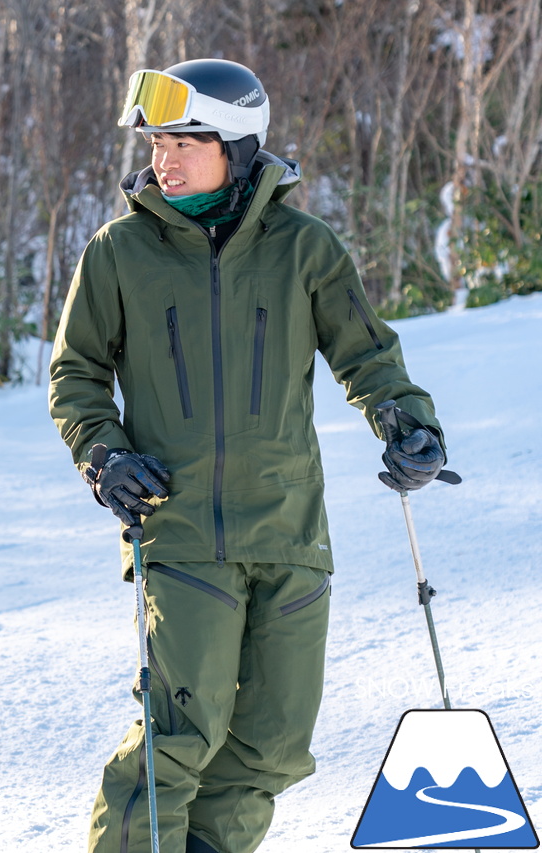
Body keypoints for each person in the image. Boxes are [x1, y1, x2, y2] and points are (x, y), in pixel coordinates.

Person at [48, 59, 447, 853]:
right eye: (157, 141)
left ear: (234, 144)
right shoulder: (119, 253)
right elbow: (76, 374)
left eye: (183, 141)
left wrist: (409, 425)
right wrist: (105, 456)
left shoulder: (305, 248)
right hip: (181, 529)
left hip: (290, 530)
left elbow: (366, 356)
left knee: (273, 743)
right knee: (179, 737)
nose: (162, 157)